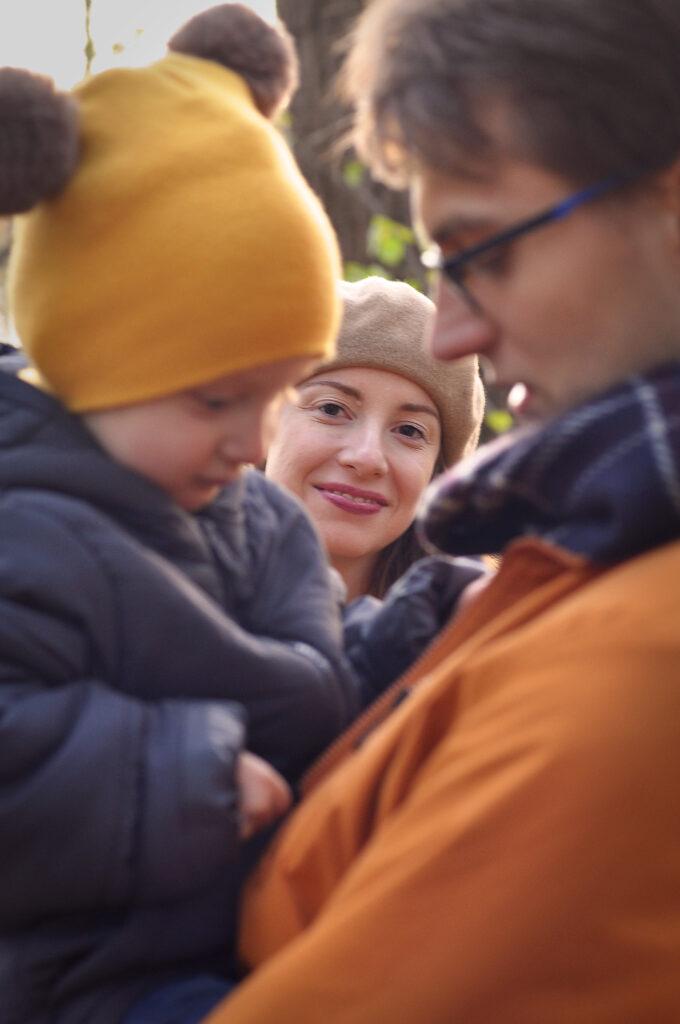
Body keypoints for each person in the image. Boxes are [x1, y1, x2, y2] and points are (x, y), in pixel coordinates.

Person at [205, 1, 680, 1021]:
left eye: (484, 250)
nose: (453, 331)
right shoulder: (567, 564)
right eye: (329, 407)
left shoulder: (632, 655)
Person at [0, 6, 359, 1023]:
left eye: (283, 395)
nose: (256, 443)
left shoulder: (250, 515)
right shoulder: (27, 529)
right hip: (97, 982)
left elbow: (307, 681)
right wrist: (175, 777)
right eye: (216, 398)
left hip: (258, 930)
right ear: (92, 364)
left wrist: (406, 641)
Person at [266, 275, 484, 601]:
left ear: (439, 476)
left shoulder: (488, 636)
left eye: (410, 431)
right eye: (332, 409)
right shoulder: (165, 601)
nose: (366, 457)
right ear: (262, 424)